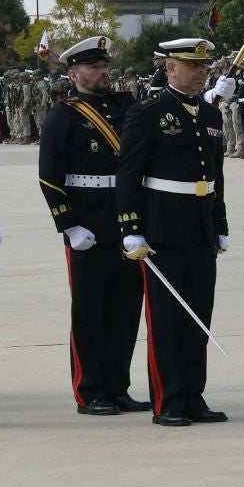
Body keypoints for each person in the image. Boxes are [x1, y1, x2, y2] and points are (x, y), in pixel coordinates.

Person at [117, 37, 230, 427]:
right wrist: (131, 228)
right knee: (166, 322)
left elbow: (215, 175)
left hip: (199, 229)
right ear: (170, 69)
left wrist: (220, 224)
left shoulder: (210, 114)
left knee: (198, 318)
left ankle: (194, 396)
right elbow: (129, 173)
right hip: (162, 231)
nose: (200, 73)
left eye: (204, 67)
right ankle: (168, 401)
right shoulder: (147, 111)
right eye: (191, 66)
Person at [37, 36, 150, 415]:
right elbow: (49, 176)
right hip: (89, 222)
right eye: (92, 67)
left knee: (125, 308)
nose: (102, 72)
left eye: (103, 65)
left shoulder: (127, 106)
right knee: (89, 310)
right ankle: (90, 390)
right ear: (74, 74)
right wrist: (68, 225)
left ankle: (118, 386)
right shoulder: (63, 115)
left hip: (126, 219)